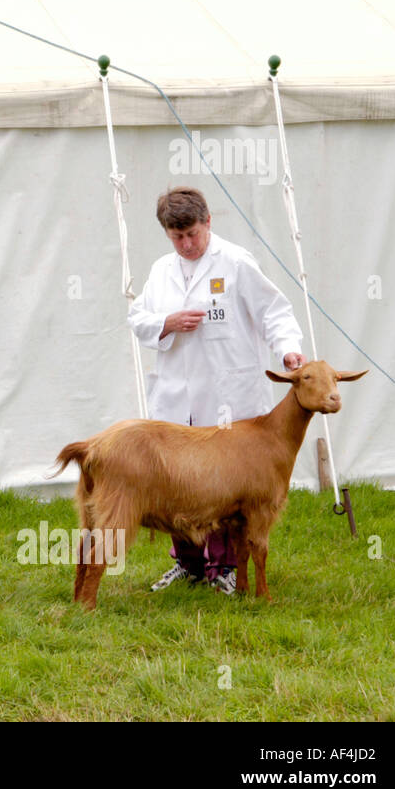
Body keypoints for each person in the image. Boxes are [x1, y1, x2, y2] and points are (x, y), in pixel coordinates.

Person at [128, 187, 305, 595]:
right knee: (176, 483)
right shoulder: (161, 271)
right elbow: (137, 318)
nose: (187, 244)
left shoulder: (237, 263)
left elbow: (274, 312)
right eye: (177, 237)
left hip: (228, 398)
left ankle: (224, 567)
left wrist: (289, 350)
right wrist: (167, 322)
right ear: (166, 235)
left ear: (208, 223)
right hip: (176, 397)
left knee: (226, 485)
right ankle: (188, 565)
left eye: (192, 233)